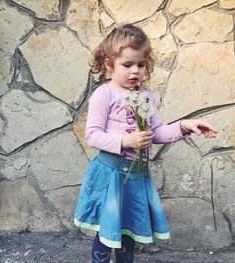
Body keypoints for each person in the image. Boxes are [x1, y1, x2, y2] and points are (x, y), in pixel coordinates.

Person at [73, 24, 217, 263]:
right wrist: (125, 141)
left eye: (140, 64)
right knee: (108, 230)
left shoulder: (146, 95)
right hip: (112, 175)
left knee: (128, 230)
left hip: (137, 176)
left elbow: (157, 132)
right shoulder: (104, 94)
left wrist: (183, 126)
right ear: (109, 65)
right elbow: (93, 135)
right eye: (127, 65)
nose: (135, 71)